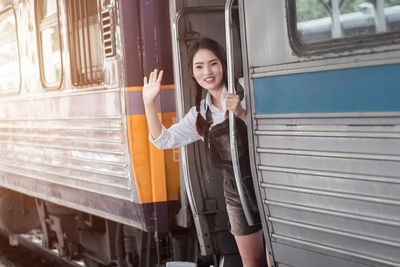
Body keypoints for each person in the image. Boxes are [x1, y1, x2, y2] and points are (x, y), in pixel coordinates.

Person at [142, 38, 271, 267]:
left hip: (268, 183)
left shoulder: (246, 87)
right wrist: (149, 104)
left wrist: (241, 112)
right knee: (253, 262)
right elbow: (164, 140)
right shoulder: (201, 113)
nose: (207, 72)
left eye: (213, 64)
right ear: (193, 73)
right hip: (237, 193)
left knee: (275, 259)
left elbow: (272, 130)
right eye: (199, 67)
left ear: (223, 64)